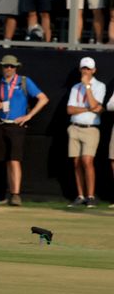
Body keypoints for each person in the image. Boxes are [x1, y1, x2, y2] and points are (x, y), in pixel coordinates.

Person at [0, 54, 48, 206]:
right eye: (6, 66)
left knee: (15, 160)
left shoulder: (24, 81)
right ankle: (10, 193)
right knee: (7, 161)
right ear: (2, 67)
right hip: (2, 123)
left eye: (12, 66)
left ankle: (16, 195)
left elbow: (43, 99)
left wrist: (28, 116)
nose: (9, 69)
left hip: (17, 126)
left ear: (16, 68)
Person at [65, 56, 104, 208]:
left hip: (91, 129)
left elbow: (96, 104)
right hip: (74, 127)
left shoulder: (99, 86)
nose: (86, 71)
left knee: (87, 161)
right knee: (76, 162)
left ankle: (91, 196)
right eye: (84, 68)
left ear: (94, 70)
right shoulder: (75, 87)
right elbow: (70, 109)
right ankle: (80, 196)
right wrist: (89, 109)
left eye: (88, 69)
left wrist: (87, 87)